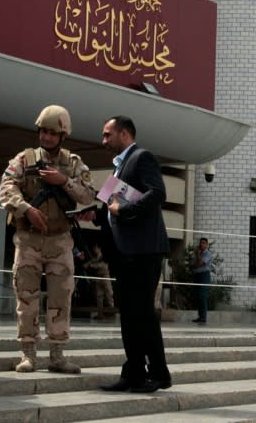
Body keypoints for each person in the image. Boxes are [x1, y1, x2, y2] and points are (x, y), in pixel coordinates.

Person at [0, 105, 95, 374]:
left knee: (60, 298)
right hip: (28, 240)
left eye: (53, 133)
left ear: (63, 135)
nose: (47, 137)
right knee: (26, 298)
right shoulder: (24, 160)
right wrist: (26, 209)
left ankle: (57, 355)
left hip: (60, 240)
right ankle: (28, 354)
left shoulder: (74, 163)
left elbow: (88, 196)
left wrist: (63, 180)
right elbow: (6, 189)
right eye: (43, 131)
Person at [99, 115, 172, 393]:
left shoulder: (142, 157)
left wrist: (123, 210)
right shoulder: (118, 167)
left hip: (144, 251)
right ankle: (133, 373)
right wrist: (96, 214)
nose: (103, 141)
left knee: (142, 314)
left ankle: (159, 374)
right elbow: (111, 205)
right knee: (129, 315)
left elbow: (157, 194)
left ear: (125, 134)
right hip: (124, 251)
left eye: (108, 135)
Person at [84, 243, 114, 318]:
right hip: (98, 278)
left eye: (96, 248)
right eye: (94, 248)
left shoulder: (103, 257)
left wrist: (91, 265)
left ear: (99, 248)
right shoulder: (95, 258)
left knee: (109, 294)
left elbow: (103, 266)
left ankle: (111, 312)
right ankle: (100, 313)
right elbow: (90, 262)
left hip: (105, 277)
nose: (94, 250)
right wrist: (88, 263)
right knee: (99, 296)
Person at [191, 237, 213, 324]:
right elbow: (193, 265)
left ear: (207, 245)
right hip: (197, 275)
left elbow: (200, 263)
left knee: (203, 296)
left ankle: (203, 318)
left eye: (204, 243)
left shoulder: (208, 254)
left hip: (204, 275)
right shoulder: (196, 254)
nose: (202, 244)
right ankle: (200, 317)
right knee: (198, 297)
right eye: (201, 243)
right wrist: (197, 256)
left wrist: (198, 256)